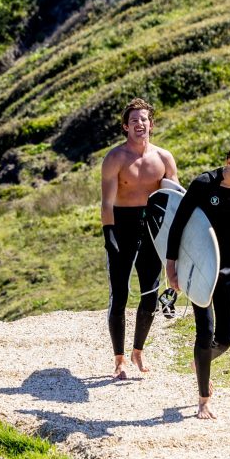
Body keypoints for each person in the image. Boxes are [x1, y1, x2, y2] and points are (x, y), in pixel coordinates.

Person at [164, 136, 230, 419]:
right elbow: (178, 224)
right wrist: (171, 266)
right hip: (200, 266)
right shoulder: (203, 184)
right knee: (204, 332)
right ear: (229, 162)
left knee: (225, 339)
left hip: (228, 268)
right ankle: (203, 399)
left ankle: (200, 360)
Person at [100, 98, 178, 381]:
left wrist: (176, 237)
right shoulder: (115, 158)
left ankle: (138, 350)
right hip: (122, 226)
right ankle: (119, 359)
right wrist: (109, 235)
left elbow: (174, 200)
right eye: (134, 121)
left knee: (149, 294)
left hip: (153, 229)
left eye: (144, 119)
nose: (139, 124)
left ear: (151, 124)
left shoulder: (164, 158)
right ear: (126, 126)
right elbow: (107, 203)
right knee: (119, 294)